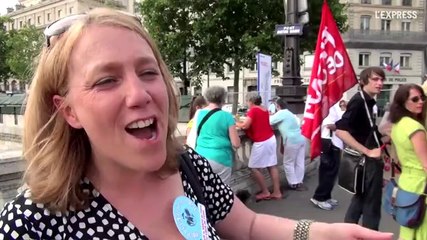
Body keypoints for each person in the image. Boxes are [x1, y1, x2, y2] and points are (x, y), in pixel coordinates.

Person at [0, 8, 393, 240]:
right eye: (106, 80)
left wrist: (321, 233)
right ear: (68, 110)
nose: (139, 94)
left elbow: (250, 226)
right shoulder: (33, 223)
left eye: (148, 71)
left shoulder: (187, 165)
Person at [336, 66, 385, 230]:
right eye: (375, 79)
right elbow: (341, 131)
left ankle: (348, 231)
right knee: (371, 204)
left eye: (381, 79)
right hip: (367, 161)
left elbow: (369, 131)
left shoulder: (370, 102)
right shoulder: (359, 101)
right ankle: (370, 234)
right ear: (364, 81)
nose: (380, 83)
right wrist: (368, 151)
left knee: (361, 198)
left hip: (370, 160)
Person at [389, 84, 427, 240]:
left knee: (409, 224)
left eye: (422, 98)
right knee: (421, 228)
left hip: (407, 182)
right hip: (421, 183)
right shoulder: (415, 127)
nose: (421, 102)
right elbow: (425, 163)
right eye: (415, 99)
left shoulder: (398, 124)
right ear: (403, 102)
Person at [236, 92, 283, 201]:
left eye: (247, 101)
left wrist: (235, 123)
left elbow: (245, 125)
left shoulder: (253, 110)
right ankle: (277, 192)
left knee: (253, 167)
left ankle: (265, 191)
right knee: (272, 166)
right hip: (270, 138)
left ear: (251, 101)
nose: (247, 103)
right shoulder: (264, 109)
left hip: (262, 141)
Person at [193, 86, 240, 185]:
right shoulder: (227, 116)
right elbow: (236, 143)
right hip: (221, 159)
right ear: (223, 98)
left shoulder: (199, 113)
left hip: (200, 157)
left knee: (203, 191)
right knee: (222, 192)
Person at [311, 100, 346, 210]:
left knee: (332, 171)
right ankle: (319, 197)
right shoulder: (327, 104)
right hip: (329, 141)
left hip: (335, 142)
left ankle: (326, 196)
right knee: (328, 171)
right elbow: (328, 124)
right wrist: (341, 124)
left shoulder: (334, 104)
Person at [269, 98, 306, 191]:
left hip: (291, 139)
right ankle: (299, 181)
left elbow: (269, 121)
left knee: (288, 162)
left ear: (277, 106)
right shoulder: (290, 113)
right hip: (300, 137)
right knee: (300, 161)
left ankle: (293, 183)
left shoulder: (281, 113)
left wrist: (271, 115)